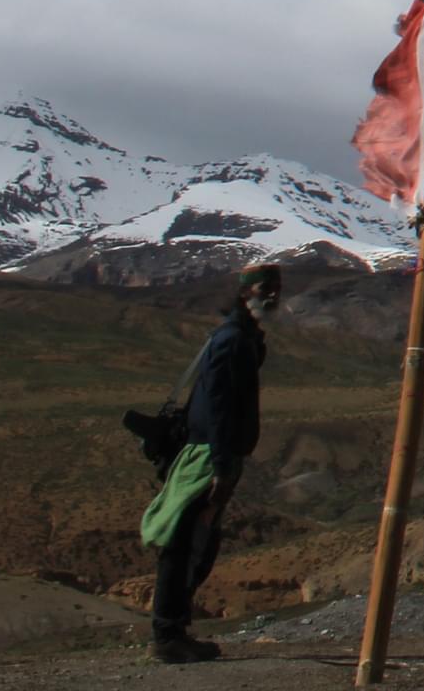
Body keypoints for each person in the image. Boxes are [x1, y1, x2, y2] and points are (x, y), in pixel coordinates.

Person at [143, 262, 281, 664]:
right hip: (207, 455)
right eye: (264, 288)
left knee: (198, 541)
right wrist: (221, 464)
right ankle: (167, 633)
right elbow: (219, 407)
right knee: (185, 543)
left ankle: (174, 628)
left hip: (215, 452)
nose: (272, 295)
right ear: (245, 293)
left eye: (275, 288)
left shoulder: (242, 337)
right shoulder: (232, 340)